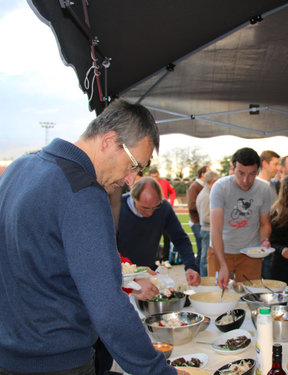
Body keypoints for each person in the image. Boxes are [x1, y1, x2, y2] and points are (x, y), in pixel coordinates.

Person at [0, 99, 185, 374]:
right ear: (109, 140)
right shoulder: (83, 193)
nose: (131, 179)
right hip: (57, 361)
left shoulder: (18, 168)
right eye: (134, 165)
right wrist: (157, 371)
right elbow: (108, 307)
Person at [117, 177, 200, 285]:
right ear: (133, 198)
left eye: (155, 207)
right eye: (145, 208)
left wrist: (190, 266)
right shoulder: (117, 208)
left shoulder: (163, 207)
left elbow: (180, 238)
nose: (151, 213)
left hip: (148, 271)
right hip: (122, 273)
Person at [209, 147, 272, 288]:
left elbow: (264, 223)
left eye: (252, 174)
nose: (246, 180)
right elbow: (216, 230)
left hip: (250, 252)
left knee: (250, 294)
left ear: (258, 171)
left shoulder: (264, 189)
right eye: (241, 173)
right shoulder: (220, 187)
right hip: (221, 250)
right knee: (218, 295)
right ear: (233, 169)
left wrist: (265, 241)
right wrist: (223, 265)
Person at [257, 150, 280, 279]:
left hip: (272, 241)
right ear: (265, 164)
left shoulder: (272, 185)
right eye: (275, 164)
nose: (278, 168)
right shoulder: (257, 186)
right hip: (261, 243)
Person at [149, 167, 176, 267]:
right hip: (153, 213)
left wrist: (171, 202)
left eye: (156, 176)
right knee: (154, 236)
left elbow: (172, 192)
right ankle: (156, 258)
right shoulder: (148, 184)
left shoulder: (164, 182)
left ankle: (165, 259)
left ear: (158, 175)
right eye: (153, 177)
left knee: (167, 236)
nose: (155, 179)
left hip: (164, 212)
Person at [196, 171, 220, 277]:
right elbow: (205, 217)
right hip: (207, 230)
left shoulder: (208, 193)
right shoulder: (205, 195)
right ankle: (205, 280)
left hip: (209, 230)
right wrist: (220, 219)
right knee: (206, 258)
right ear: (213, 181)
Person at [187, 166, 210, 269]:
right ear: (203, 174)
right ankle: (197, 274)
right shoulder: (195, 187)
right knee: (202, 251)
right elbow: (191, 206)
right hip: (197, 222)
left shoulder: (203, 187)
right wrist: (205, 209)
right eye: (209, 172)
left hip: (200, 222)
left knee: (203, 251)